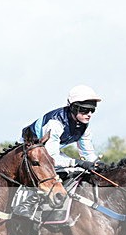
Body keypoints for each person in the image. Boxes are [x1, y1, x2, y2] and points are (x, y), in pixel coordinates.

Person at [13, 84, 105, 221]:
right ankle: (26, 205)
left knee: (81, 170)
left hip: (48, 152)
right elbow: (52, 160)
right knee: (63, 169)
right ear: (74, 108)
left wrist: (98, 164)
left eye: (93, 110)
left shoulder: (84, 126)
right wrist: (78, 162)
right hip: (30, 151)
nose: (89, 114)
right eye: (85, 110)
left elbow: (87, 153)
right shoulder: (55, 123)